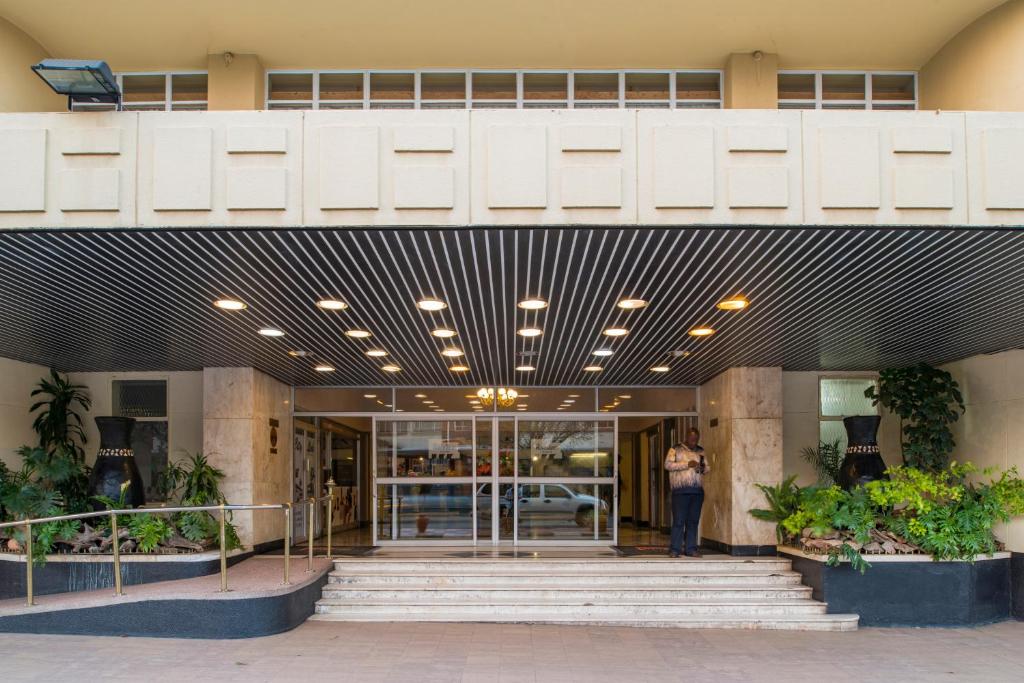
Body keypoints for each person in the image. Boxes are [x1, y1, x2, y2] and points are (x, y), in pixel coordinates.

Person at [665, 427, 709, 558]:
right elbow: (667, 465)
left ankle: (691, 549)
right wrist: (687, 464)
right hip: (680, 491)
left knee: (693, 521)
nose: (694, 441)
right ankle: (675, 549)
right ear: (686, 437)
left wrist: (702, 467)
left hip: (697, 492)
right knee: (679, 521)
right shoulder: (675, 448)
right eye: (691, 439)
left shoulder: (701, 451)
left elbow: (707, 468)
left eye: (696, 439)